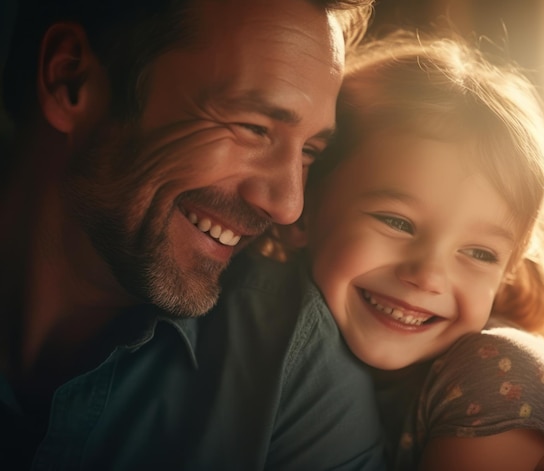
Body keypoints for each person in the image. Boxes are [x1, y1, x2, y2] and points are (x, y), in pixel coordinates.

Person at [0, 0, 387, 469]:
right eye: (253, 127)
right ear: (71, 80)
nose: (288, 205)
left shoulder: (292, 369)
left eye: (309, 151)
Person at [281, 33, 544, 470]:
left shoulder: (494, 371)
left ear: (509, 272)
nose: (428, 276)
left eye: (480, 253)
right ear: (304, 207)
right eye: (397, 222)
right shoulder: (284, 350)